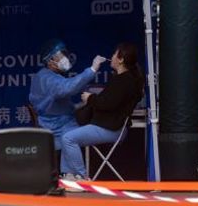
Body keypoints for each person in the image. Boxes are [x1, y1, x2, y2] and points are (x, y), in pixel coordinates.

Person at [59, 42, 145, 181]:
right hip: (106, 125)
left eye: (114, 54)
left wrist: (90, 98)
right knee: (65, 133)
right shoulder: (123, 79)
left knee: (68, 138)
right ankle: (67, 175)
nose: (111, 56)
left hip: (111, 128)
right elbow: (108, 100)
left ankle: (81, 176)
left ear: (121, 59)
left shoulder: (124, 81)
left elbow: (107, 104)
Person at [29, 39, 106, 148]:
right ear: (50, 60)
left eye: (65, 55)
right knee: (93, 133)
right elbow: (67, 88)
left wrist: (79, 105)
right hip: (58, 129)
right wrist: (92, 70)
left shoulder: (45, 76)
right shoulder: (48, 79)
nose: (65, 59)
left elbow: (55, 105)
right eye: (61, 56)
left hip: (57, 124)